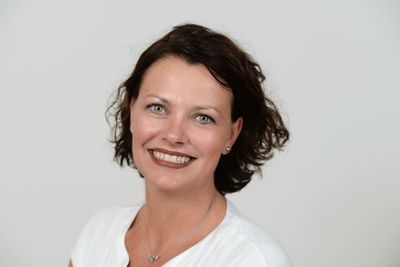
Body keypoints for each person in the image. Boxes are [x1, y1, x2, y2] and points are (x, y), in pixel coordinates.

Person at [69, 23, 291, 267]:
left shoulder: (253, 260)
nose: (174, 135)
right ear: (131, 110)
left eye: (203, 117)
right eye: (158, 108)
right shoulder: (98, 234)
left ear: (231, 134)